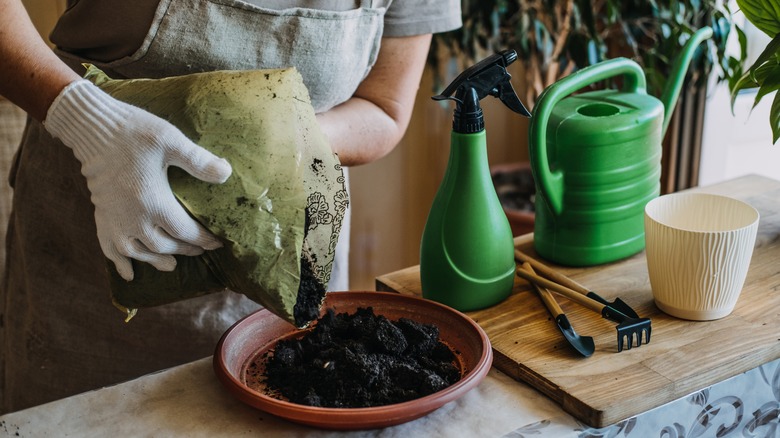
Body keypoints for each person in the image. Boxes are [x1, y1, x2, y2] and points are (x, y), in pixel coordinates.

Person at [0, 0, 462, 413]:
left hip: (289, 256)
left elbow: (384, 109)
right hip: (91, 252)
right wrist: (83, 118)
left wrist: (274, 137)